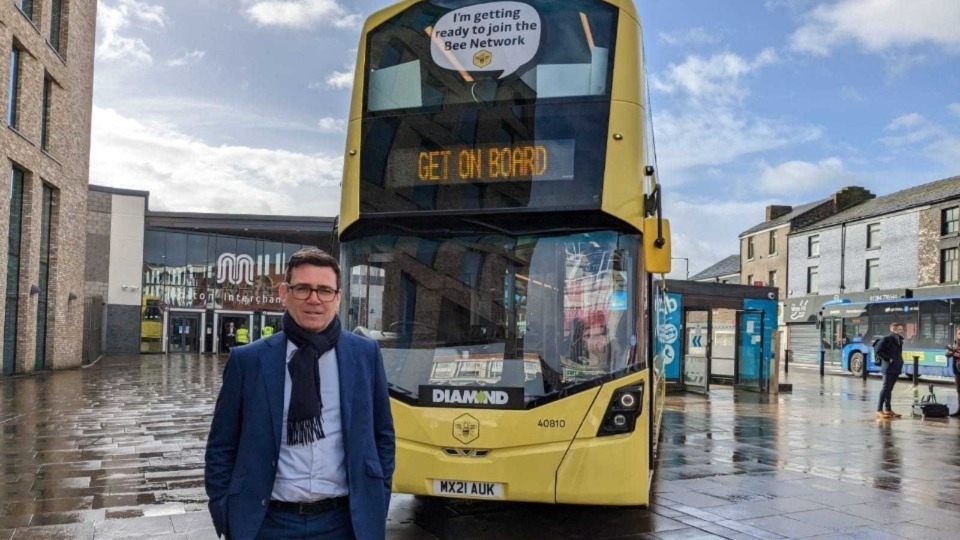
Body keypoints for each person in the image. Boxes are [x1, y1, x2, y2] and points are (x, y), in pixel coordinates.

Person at [205, 248, 395, 540]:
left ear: (338, 297)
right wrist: (225, 510)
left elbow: (382, 434)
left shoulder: (365, 354)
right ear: (284, 292)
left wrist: (378, 498)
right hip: (268, 523)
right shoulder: (249, 360)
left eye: (324, 290)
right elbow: (222, 444)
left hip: (344, 523)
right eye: (303, 288)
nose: (314, 299)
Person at [875, 321, 905, 420]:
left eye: (901, 329)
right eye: (899, 329)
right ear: (893, 329)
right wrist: (889, 359)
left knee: (889, 389)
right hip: (888, 367)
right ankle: (879, 410)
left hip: (896, 367)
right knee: (885, 388)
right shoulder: (886, 339)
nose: (902, 331)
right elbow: (878, 351)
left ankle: (888, 409)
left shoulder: (900, 340)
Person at [944, 326, 960, 417]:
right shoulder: (955, 343)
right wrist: (950, 352)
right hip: (957, 369)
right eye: (958, 333)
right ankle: (959, 410)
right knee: (959, 390)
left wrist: (955, 352)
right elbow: (948, 354)